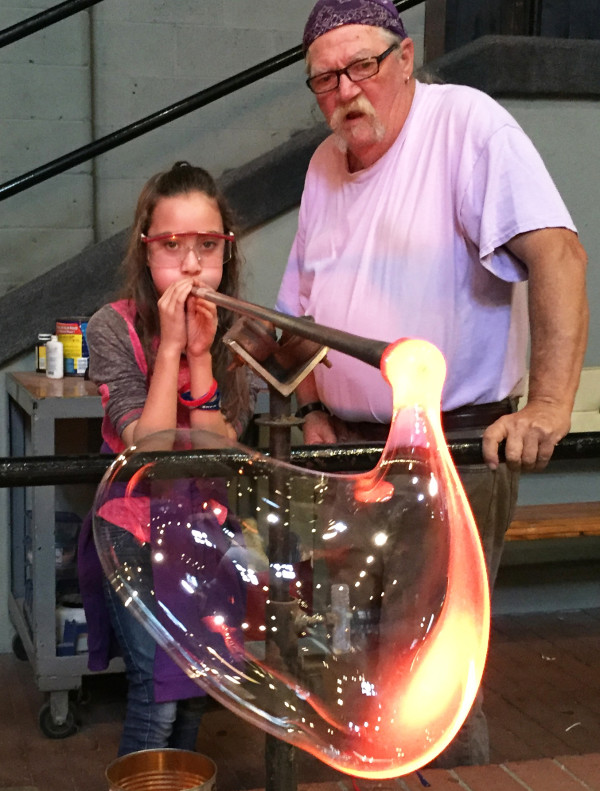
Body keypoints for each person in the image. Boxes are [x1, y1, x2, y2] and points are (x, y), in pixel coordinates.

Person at [276, 0, 589, 768]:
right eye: (325, 78)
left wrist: (548, 406)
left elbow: (558, 255)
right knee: (345, 663)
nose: (345, 90)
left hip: (449, 449)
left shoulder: (465, 126)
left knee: (430, 675)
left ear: (406, 58)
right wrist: (313, 402)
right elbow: (301, 315)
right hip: (347, 458)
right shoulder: (323, 165)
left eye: (363, 67)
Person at [78, 161, 256, 756]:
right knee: (156, 697)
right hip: (133, 526)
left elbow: (220, 453)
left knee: (198, 689)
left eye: (208, 246)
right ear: (144, 248)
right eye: (171, 246)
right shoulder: (112, 327)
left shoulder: (237, 330)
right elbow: (149, 450)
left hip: (203, 527)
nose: (190, 265)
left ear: (226, 251)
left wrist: (202, 357)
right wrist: (172, 346)